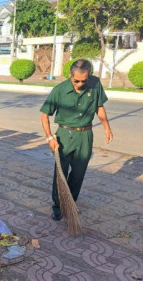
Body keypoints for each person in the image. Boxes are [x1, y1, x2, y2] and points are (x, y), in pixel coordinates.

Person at [40, 59, 113, 221]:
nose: (80, 84)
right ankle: (58, 206)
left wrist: (106, 126)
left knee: (79, 173)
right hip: (65, 135)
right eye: (76, 80)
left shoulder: (95, 84)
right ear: (70, 76)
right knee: (61, 172)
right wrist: (49, 137)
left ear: (89, 76)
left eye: (84, 80)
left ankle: (71, 202)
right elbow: (45, 115)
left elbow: (99, 107)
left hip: (85, 135)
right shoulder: (59, 90)